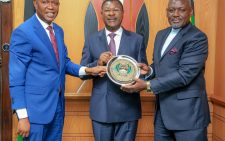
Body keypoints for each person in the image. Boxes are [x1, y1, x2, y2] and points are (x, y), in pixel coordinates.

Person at [9, 0, 106, 140]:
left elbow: (63, 63)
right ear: (35, 4)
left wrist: (89, 70)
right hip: (34, 114)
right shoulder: (23, 32)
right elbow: (16, 78)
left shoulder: (58, 31)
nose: (51, 7)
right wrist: (22, 117)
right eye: (45, 2)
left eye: (55, 3)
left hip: (57, 108)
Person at [121, 0, 211, 141]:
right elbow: (161, 65)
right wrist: (149, 70)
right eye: (171, 10)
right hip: (162, 115)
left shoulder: (197, 37)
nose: (175, 14)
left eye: (181, 10)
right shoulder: (161, 35)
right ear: (167, 12)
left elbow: (184, 74)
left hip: (188, 117)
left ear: (190, 12)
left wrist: (147, 85)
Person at [80, 0, 148, 141]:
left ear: (123, 13)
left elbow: (144, 72)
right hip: (101, 111)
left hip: (128, 109)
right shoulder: (91, 40)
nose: (111, 13)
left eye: (116, 10)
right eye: (107, 10)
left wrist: (144, 74)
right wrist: (98, 62)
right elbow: (83, 73)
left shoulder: (137, 39)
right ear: (101, 13)